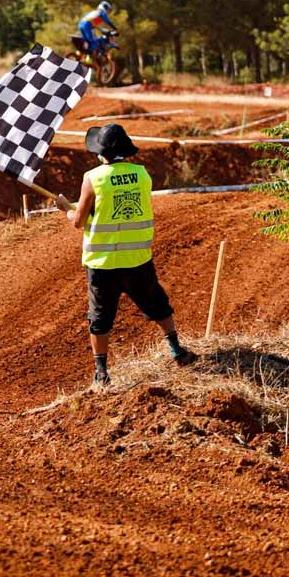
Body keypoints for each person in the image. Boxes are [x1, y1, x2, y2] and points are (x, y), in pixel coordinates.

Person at [55, 124, 197, 387]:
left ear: (101, 152)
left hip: (103, 263)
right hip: (137, 258)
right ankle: (177, 349)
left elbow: (79, 221)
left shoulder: (93, 178)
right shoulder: (142, 174)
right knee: (157, 303)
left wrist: (65, 208)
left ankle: (101, 373)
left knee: (100, 318)